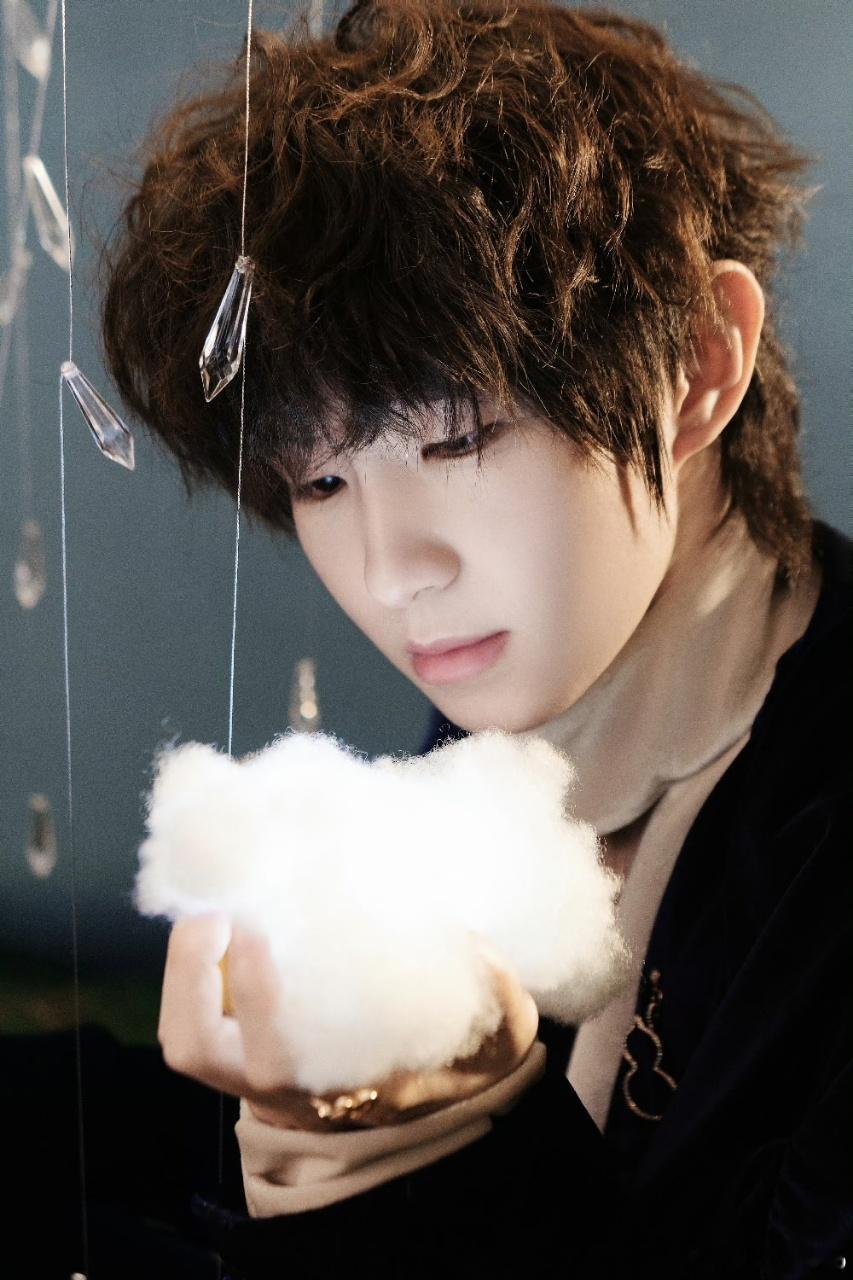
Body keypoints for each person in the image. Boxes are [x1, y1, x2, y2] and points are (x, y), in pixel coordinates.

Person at [8, 1, 849, 1276]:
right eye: (320, 479)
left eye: (459, 439)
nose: (393, 568)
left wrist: (421, 1142)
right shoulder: (530, 713)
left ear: (696, 360)